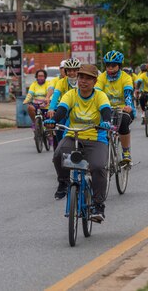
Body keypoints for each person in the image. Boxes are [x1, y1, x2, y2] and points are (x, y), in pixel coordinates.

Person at [47, 64, 112, 222]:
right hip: (73, 136)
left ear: (95, 81)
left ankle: (98, 205)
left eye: (88, 78)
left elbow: (105, 111)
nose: (83, 81)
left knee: (98, 167)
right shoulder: (71, 94)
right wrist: (53, 120)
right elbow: (62, 109)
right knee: (58, 155)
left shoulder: (100, 96)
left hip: (96, 138)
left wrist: (106, 121)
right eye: (81, 77)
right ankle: (63, 182)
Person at [95, 51, 135, 163]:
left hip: (123, 109)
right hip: (106, 108)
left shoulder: (126, 77)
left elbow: (128, 93)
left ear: (119, 66)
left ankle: (126, 152)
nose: (110, 68)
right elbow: (97, 91)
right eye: (108, 65)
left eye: (113, 66)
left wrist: (128, 105)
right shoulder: (102, 77)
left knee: (124, 122)